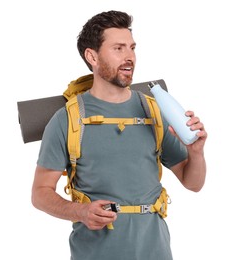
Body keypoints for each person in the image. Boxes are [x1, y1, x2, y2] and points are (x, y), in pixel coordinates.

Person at [31, 10, 207, 260]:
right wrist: (80, 212)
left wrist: (196, 152)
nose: (129, 57)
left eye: (132, 48)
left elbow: (193, 183)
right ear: (92, 56)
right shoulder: (66, 120)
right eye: (118, 48)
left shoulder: (154, 111)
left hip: (156, 252)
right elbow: (40, 192)